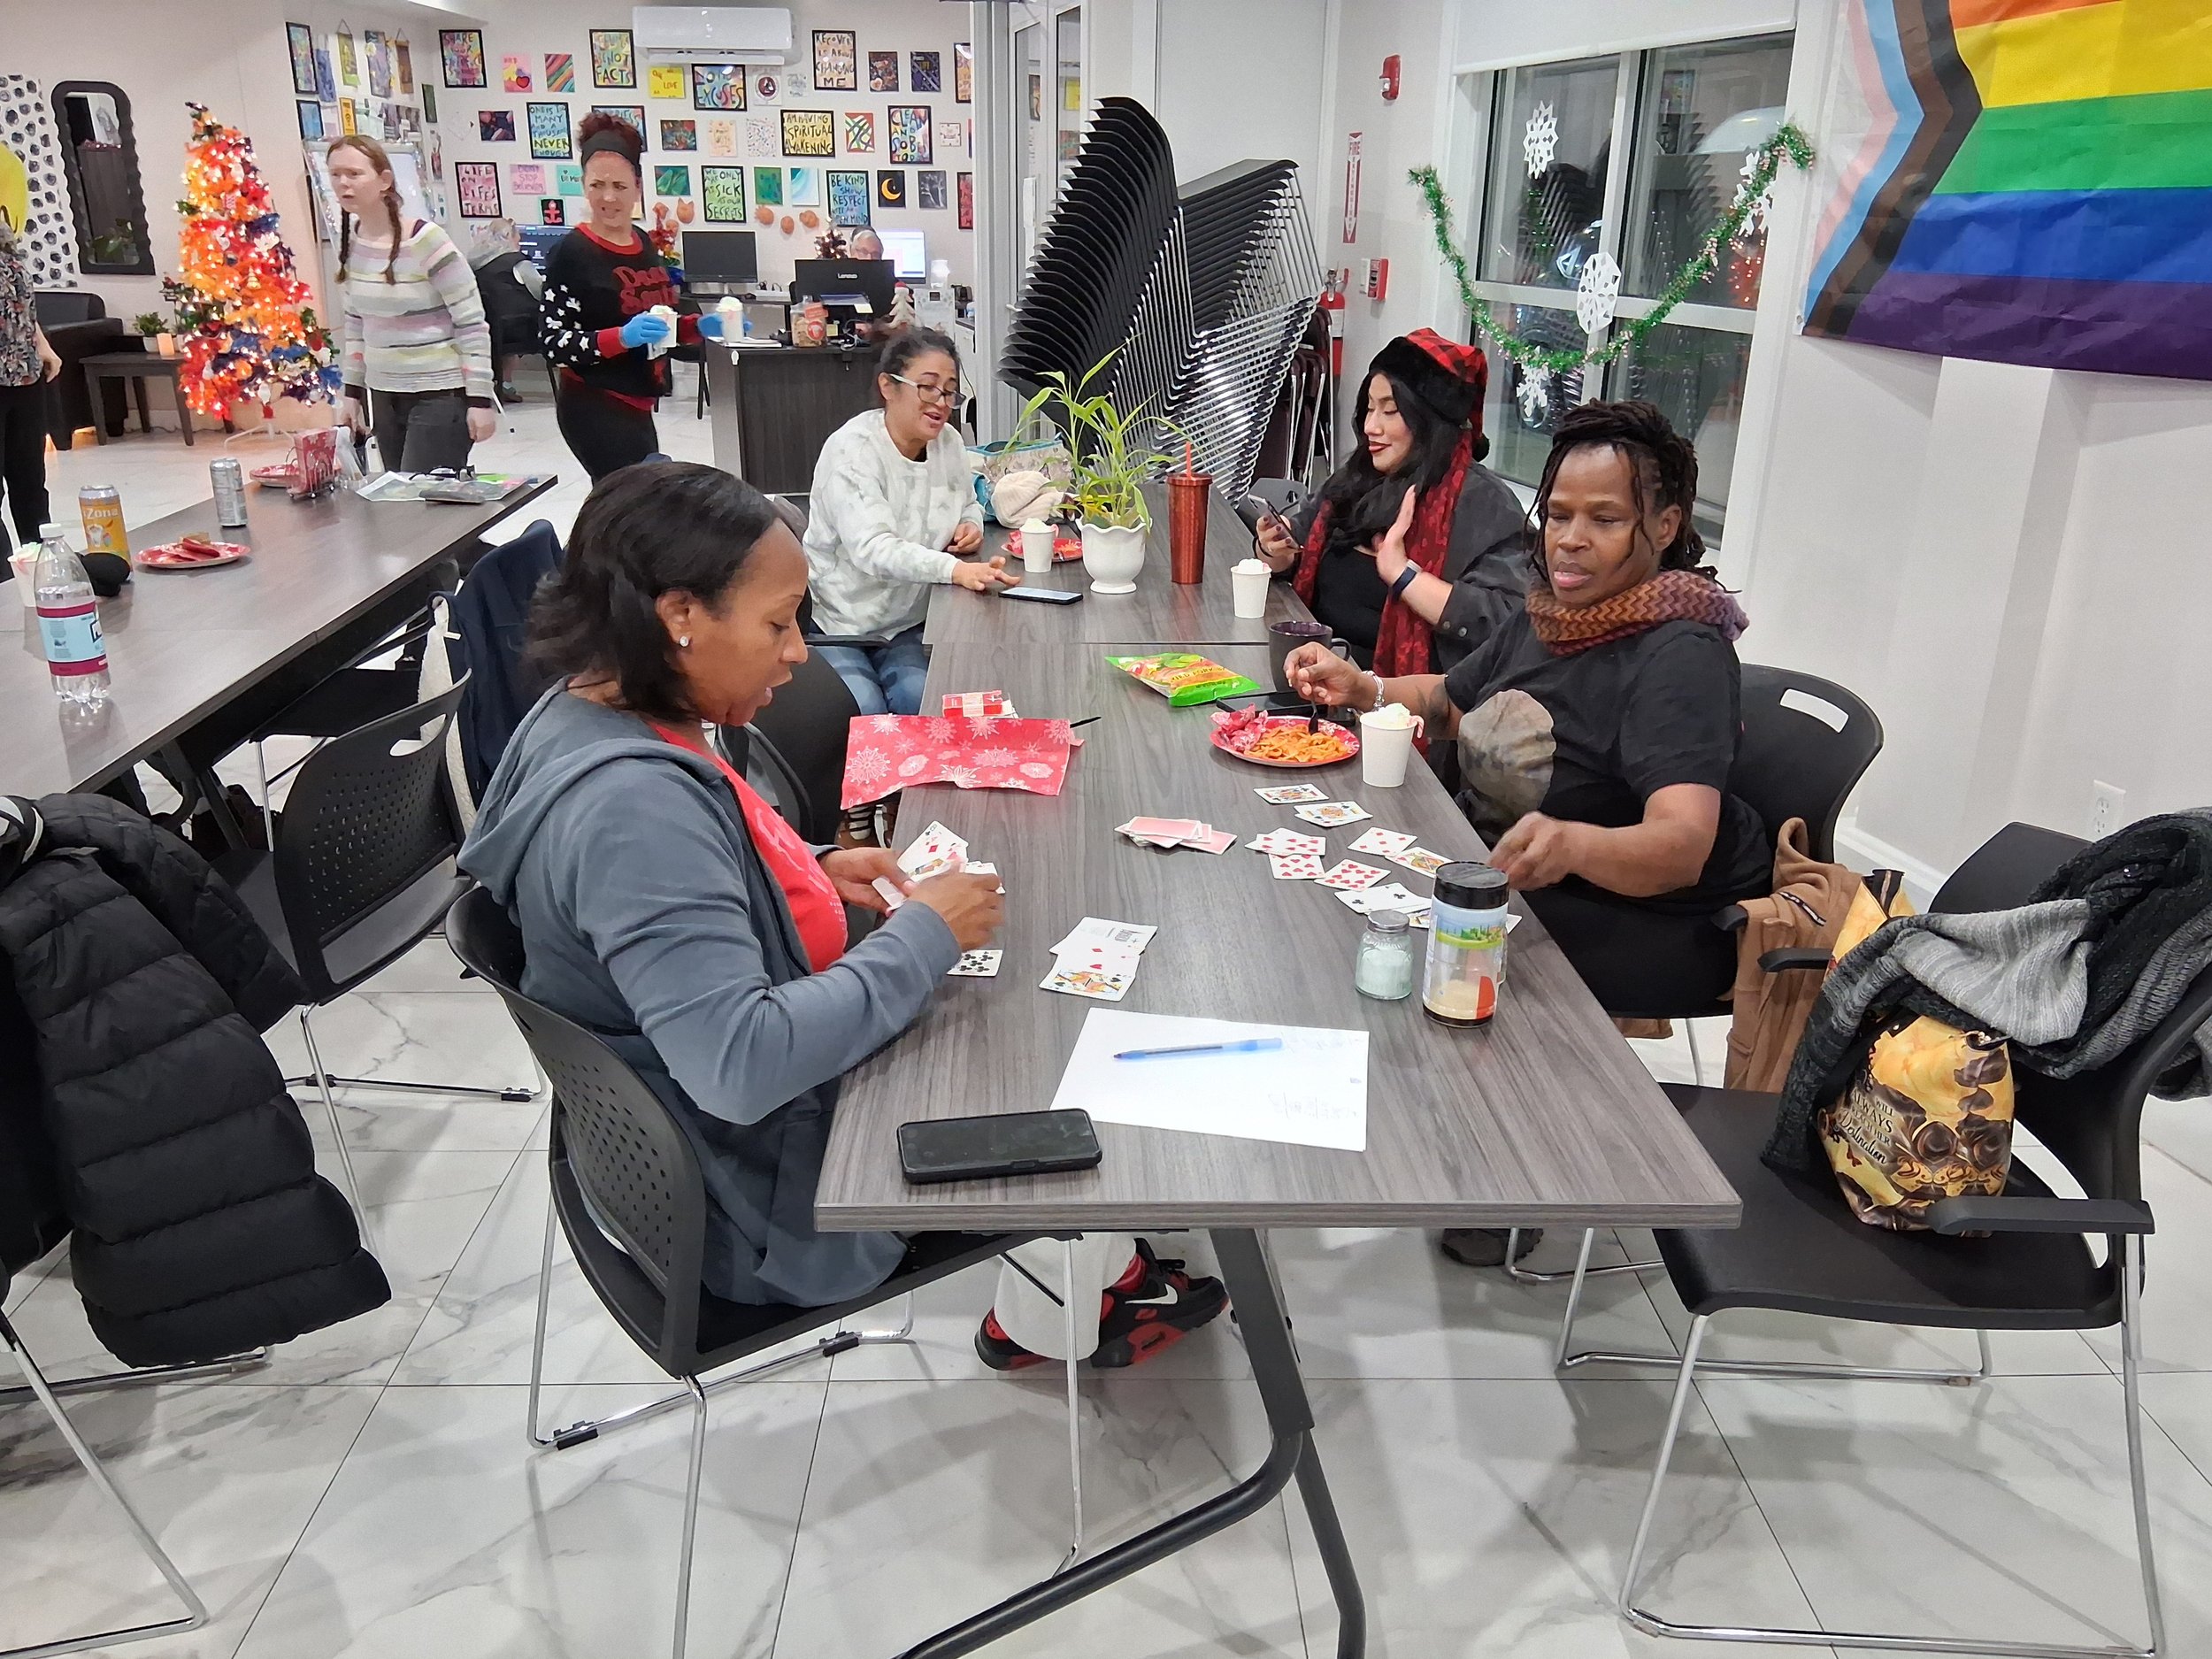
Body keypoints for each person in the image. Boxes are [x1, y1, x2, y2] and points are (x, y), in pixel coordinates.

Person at [459, 462, 1228, 1368]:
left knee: (1025, 1000)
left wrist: (806, 871)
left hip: (679, 1161)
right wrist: (921, 938)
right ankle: (1070, 1307)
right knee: (1062, 1049)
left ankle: (1089, 1275)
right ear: (679, 617)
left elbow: (667, 909)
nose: (798, 651)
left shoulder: (578, 710)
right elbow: (740, 1065)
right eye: (778, 623)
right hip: (774, 1203)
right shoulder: (635, 816)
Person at [1284, 401, 1770, 1268]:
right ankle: (1421, 1123)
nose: (1570, 540)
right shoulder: (1544, 612)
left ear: (1663, 524)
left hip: (1654, 916)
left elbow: (1681, 843)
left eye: (1604, 518)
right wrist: (1363, 688)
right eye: (1557, 515)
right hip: (1531, 868)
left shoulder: (1678, 651)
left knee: (1428, 939)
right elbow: (1451, 696)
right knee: (1341, 904)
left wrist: (1576, 844)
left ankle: (1504, 1161)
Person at [1254, 331, 1525, 676]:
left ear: (1428, 420)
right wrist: (1274, 552)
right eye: (1368, 408)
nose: (1370, 426)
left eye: (1389, 411)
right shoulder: (1358, 477)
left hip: (1400, 708)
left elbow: (1509, 620)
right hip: (1310, 671)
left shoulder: (1484, 503)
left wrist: (1405, 575)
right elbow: (1299, 543)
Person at [803, 327, 1015, 716]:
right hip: (843, 622)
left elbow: (967, 500)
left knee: (924, 701)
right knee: (863, 710)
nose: (941, 402)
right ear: (888, 386)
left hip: (909, 620)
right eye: (927, 387)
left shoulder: (948, 442)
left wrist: (971, 525)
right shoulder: (853, 452)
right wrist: (954, 570)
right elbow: (873, 549)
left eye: (950, 391)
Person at [540, 114, 726, 482]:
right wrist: (620, 337)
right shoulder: (571, 253)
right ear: (583, 185)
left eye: (620, 186)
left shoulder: (643, 244)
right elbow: (552, 343)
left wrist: (696, 327)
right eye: (597, 185)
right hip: (595, 403)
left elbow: (661, 326)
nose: (608, 197)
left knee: (627, 512)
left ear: (638, 187)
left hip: (640, 404)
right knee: (631, 509)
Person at [326, 136, 497, 474]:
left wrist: (480, 399)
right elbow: (357, 325)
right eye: (335, 175)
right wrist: (351, 394)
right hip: (385, 394)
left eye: (354, 174)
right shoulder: (354, 243)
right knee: (400, 503)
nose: (343, 183)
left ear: (384, 181)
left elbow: (472, 322)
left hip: (440, 393)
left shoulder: (426, 240)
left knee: (427, 504)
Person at [0, 211, 62, 555]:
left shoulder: (4, 236)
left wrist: (42, 344)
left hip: (24, 372)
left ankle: (44, 564)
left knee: (30, 482)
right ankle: (6, 587)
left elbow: (20, 303)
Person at [469, 219, 544, 403]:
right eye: (518, 236)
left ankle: (503, 383)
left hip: (490, 327)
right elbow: (540, 292)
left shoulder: (475, 263)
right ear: (509, 237)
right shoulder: (517, 262)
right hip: (518, 329)